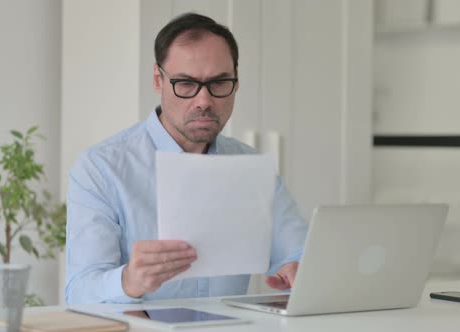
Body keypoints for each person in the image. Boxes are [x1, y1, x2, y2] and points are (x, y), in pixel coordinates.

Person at [65, 12, 308, 304]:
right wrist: (128, 281)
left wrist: (297, 270)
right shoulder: (101, 169)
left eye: (219, 83)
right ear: (159, 80)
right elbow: (79, 290)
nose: (204, 101)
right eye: (186, 83)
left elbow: (298, 253)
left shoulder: (250, 166)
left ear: (236, 82)